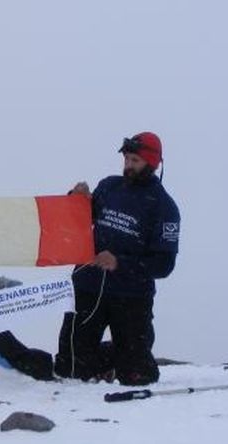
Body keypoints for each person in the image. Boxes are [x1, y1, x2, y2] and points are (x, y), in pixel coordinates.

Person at [54, 131, 181, 385]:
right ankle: (109, 354)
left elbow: (164, 265)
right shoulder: (109, 186)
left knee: (136, 376)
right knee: (69, 369)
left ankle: (130, 350)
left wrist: (119, 262)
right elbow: (77, 223)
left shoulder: (164, 207)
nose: (128, 165)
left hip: (132, 296)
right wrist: (76, 200)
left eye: (135, 160)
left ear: (152, 163)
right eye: (127, 159)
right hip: (89, 286)